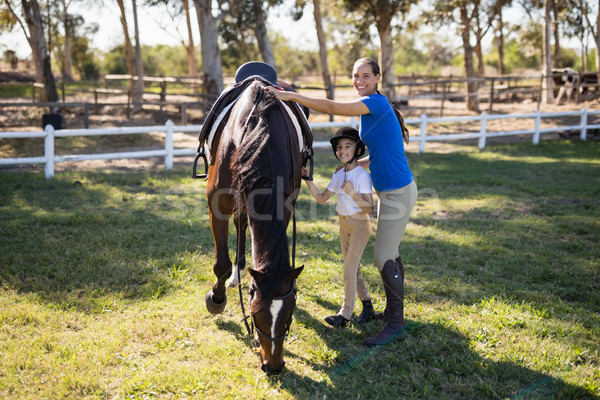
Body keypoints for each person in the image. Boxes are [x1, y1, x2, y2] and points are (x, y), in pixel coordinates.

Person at [266, 57, 417, 347]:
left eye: (365, 75)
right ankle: (391, 314)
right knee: (390, 251)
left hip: (398, 192)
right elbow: (380, 152)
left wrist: (290, 96)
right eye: (355, 75)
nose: (359, 80)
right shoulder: (370, 110)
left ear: (376, 78)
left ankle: (395, 324)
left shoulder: (375, 103)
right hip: (388, 190)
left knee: (383, 255)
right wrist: (354, 164)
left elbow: (333, 107)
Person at [302, 127, 376, 328]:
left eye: (348, 146)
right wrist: (309, 179)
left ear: (357, 150)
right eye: (339, 147)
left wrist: (352, 193)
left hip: (360, 225)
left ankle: (345, 315)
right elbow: (321, 198)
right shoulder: (338, 175)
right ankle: (367, 305)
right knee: (354, 270)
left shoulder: (362, 176)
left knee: (348, 271)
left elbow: (369, 208)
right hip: (343, 224)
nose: (343, 151)